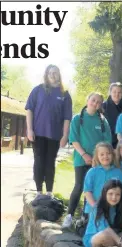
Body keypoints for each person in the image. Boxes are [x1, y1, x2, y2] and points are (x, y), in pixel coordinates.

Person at [62, 93, 112, 229]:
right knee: (79, 186)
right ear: (88, 100)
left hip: (97, 161)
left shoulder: (102, 121)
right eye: (93, 100)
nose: (95, 103)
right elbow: (74, 139)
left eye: (98, 102)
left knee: (90, 188)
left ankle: (85, 216)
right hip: (80, 159)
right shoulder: (78, 118)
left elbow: (107, 141)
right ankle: (69, 216)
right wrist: (84, 155)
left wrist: (97, 158)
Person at [25, 64, 72, 197]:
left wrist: (65, 135)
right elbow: (29, 110)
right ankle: (39, 191)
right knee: (39, 161)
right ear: (46, 75)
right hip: (37, 133)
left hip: (55, 135)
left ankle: (49, 192)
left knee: (50, 162)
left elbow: (67, 118)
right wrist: (29, 129)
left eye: (55, 72)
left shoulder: (65, 94)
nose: (52, 74)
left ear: (59, 75)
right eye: (50, 72)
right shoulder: (38, 90)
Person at [82, 179, 122, 247]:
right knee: (105, 235)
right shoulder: (97, 207)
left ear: (121, 196)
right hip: (96, 237)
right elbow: (106, 230)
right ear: (105, 193)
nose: (114, 197)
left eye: (117, 194)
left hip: (114, 236)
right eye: (110, 194)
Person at [83, 142, 122, 217]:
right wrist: (95, 206)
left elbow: (121, 191)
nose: (105, 156)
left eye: (108, 153)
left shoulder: (118, 173)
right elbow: (87, 191)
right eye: (102, 154)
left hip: (112, 211)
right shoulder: (92, 172)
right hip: (92, 210)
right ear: (97, 156)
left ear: (112, 155)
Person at [102, 82, 122, 149]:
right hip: (107, 140)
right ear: (110, 92)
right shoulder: (103, 106)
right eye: (114, 92)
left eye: (119, 92)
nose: (117, 94)